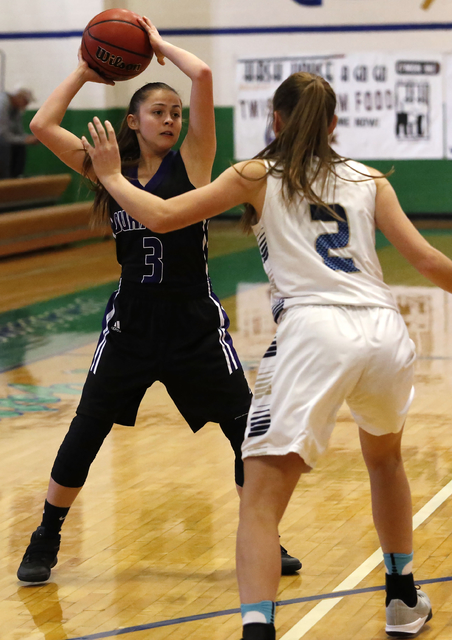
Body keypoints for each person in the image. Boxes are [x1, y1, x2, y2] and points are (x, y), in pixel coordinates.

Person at [81, 71, 452, 639]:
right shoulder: (368, 178)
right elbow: (427, 257)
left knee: (260, 499)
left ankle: (258, 631)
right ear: (335, 124)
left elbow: (164, 218)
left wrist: (113, 175)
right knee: (385, 461)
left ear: (276, 119)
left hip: (314, 331)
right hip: (385, 332)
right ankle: (401, 598)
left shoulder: (255, 173)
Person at [16, 17, 301, 585]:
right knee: (87, 427)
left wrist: (156, 46)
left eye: (175, 112)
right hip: (131, 324)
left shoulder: (194, 161)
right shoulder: (107, 167)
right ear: (133, 121)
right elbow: (42, 123)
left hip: (196, 319)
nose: (171, 119)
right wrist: (85, 67)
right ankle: (46, 533)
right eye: (158, 112)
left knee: (244, 428)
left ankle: (263, 532)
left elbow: (202, 73)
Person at [0, 87, 39, 178]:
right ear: (19, 97)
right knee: (4, 145)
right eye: (26, 101)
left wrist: (28, 139)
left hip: (5, 138)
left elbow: (18, 132)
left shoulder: (16, 108)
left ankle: (16, 177)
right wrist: (24, 140)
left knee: (19, 146)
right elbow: (2, 133)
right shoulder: (2, 104)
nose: (26, 105)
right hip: (2, 141)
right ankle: (5, 178)